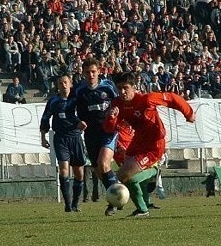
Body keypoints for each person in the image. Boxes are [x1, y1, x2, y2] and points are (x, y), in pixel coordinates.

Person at [103, 72, 195, 217]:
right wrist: (111, 117)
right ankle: (142, 208)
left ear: (134, 87)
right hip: (137, 142)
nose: (122, 91)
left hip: (154, 145)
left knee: (124, 175)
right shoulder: (117, 104)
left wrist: (189, 113)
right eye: (119, 88)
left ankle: (154, 172)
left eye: (125, 88)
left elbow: (171, 98)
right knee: (127, 176)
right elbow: (109, 129)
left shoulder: (146, 99)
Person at [75, 58, 119, 216]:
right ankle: (116, 187)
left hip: (108, 131)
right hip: (90, 134)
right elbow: (71, 110)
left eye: (93, 71)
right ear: (83, 72)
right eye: (87, 72)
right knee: (99, 171)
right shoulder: (79, 90)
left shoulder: (108, 86)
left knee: (103, 163)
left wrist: (115, 112)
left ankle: (113, 202)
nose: (91, 75)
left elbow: (118, 102)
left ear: (99, 71)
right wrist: (78, 122)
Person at [40, 74, 85, 212]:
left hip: (76, 138)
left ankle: (76, 203)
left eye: (65, 82)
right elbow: (45, 118)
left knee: (79, 173)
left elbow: (85, 115)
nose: (63, 85)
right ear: (58, 86)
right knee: (64, 169)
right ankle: (67, 204)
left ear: (70, 83)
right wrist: (43, 136)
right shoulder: (53, 101)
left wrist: (83, 123)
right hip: (61, 138)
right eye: (60, 83)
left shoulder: (77, 100)